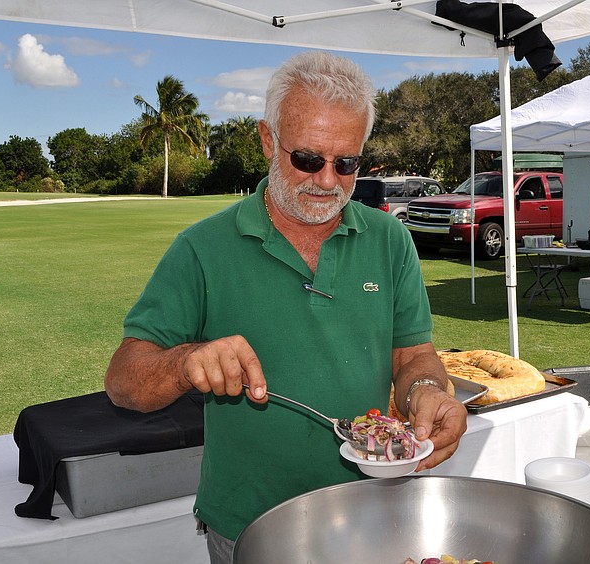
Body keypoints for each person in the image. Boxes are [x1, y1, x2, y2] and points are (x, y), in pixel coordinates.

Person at [104, 51, 467, 563]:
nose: (327, 181)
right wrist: (185, 363)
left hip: (372, 512)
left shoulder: (390, 239)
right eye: (308, 159)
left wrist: (428, 391)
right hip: (250, 525)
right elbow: (123, 382)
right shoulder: (202, 248)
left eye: (347, 164)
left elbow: (412, 357)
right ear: (268, 141)